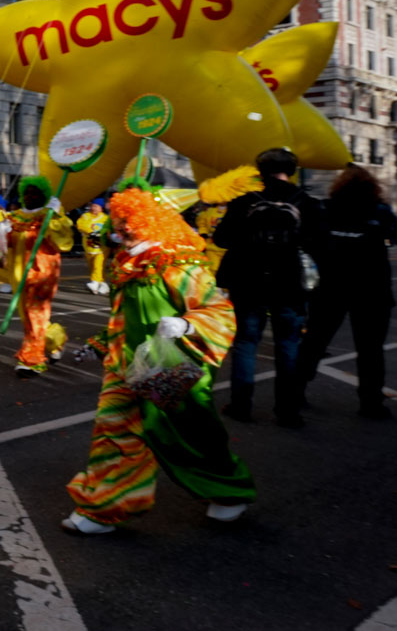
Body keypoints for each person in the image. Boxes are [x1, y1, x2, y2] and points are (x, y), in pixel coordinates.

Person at [62, 184, 255, 534]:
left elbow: (219, 310)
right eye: (119, 223)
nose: (121, 230)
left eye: (129, 223)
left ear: (152, 222)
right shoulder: (125, 263)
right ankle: (103, 508)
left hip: (172, 366)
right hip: (125, 366)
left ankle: (228, 491)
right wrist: (101, 344)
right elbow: (124, 317)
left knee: (188, 438)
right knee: (113, 432)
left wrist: (187, 324)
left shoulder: (179, 262)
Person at [212, 147, 326, 428]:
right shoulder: (307, 202)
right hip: (290, 284)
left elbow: (221, 239)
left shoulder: (244, 202)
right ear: (292, 171)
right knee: (288, 345)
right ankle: (287, 411)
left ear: (260, 171)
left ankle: (241, 405)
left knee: (246, 343)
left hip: (249, 282)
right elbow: (321, 244)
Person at [294, 164, 397, 419]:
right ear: (372, 187)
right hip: (372, 290)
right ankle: (371, 402)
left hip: (331, 287)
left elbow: (306, 240)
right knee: (371, 349)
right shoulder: (379, 211)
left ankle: (295, 392)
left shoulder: (325, 209)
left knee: (314, 342)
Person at [7, 176, 73, 377]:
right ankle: (55, 340)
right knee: (29, 317)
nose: (30, 197)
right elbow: (8, 244)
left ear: (43, 196)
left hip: (42, 273)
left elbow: (63, 243)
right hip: (19, 274)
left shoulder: (50, 215)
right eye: (27, 193)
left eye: (35, 193)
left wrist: (54, 219)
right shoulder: (16, 216)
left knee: (35, 315)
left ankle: (31, 360)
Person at [76, 198, 112, 296]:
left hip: (102, 248)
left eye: (96, 206)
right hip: (89, 247)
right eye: (93, 206)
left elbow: (108, 229)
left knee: (98, 265)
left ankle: (95, 282)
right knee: (92, 266)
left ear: (101, 208)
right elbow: (80, 225)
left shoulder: (105, 218)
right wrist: (91, 232)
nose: (93, 208)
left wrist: (101, 234)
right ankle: (103, 284)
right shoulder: (85, 216)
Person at [194, 203, 229, 273]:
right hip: (211, 246)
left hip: (226, 248)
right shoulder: (209, 211)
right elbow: (202, 223)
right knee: (211, 268)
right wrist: (203, 233)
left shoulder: (234, 211)